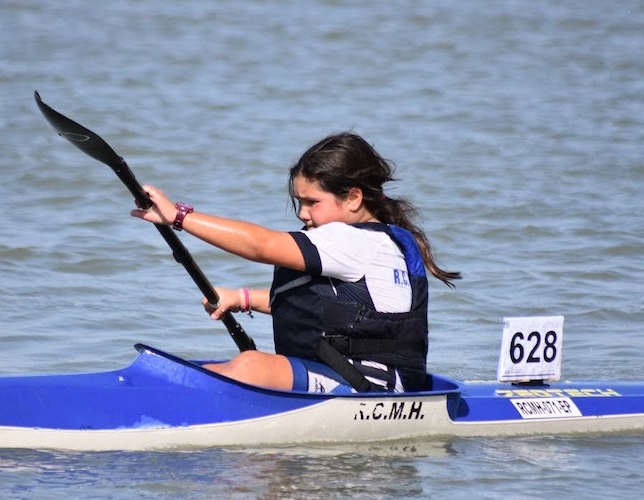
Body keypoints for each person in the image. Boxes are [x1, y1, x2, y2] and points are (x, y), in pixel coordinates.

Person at [131, 132, 460, 393]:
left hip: (372, 385)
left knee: (251, 367)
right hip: (357, 374)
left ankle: (152, 400)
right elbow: (334, 314)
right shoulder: (373, 239)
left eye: (312, 202)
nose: (302, 213)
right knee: (230, 370)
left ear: (354, 198)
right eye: (298, 201)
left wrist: (179, 217)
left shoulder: (354, 240)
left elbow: (262, 245)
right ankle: (158, 393)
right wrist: (243, 298)